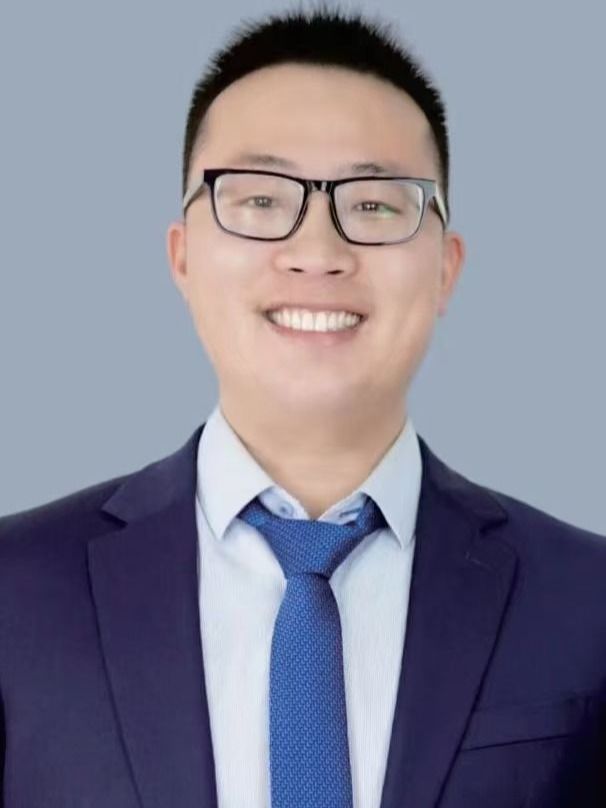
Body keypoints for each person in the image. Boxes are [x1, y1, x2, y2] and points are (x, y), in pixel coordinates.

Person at [0, 6, 604, 807]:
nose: (318, 253)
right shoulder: (15, 590)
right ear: (182, 256)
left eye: (375, 205)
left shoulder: (586, 598)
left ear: (446, 269)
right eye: (258, 199)